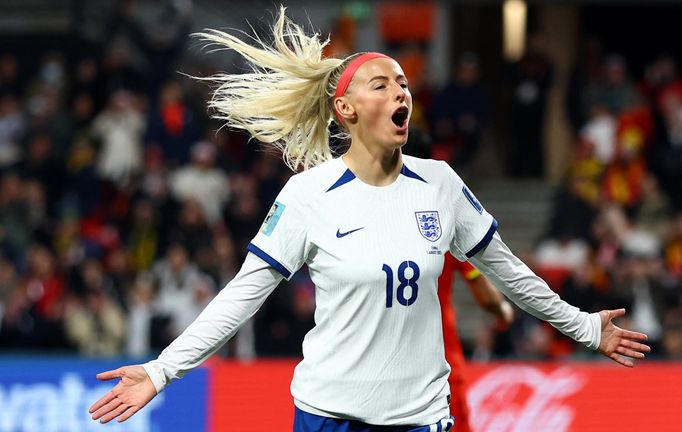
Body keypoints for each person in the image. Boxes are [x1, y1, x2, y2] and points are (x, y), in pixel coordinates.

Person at [88, 7, 650, 431]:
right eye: (381, 83)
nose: (400, 91)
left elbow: (510, 272)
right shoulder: (309, 196)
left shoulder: (441, 185)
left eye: (403, 83)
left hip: (422, 417)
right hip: (328, 415)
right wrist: (162, 370)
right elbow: (242, 296)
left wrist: (582, 326)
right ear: (346, 109)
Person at [437, 253, 513, 432]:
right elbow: (484, 293)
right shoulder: (443, 229)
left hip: (382, 359)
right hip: (440, 358)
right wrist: (502, 310)